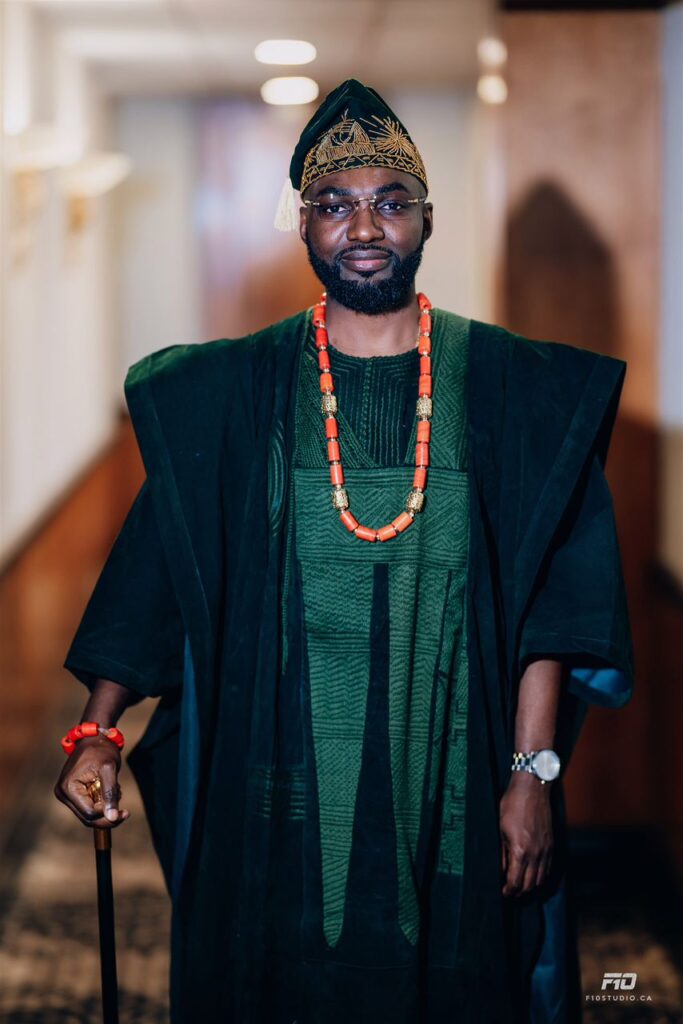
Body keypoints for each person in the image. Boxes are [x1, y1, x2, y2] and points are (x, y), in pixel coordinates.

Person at [55, 80, 634, 1024]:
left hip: (454, 779)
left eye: (388, 203)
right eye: (334, 206)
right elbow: (165, 564)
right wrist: (98, 730)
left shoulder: (512, 391)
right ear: (304, 229)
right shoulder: (230, 393)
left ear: (425, 220)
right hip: (271, 780)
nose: (363, 226)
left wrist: (529, 777)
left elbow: (550, 604)